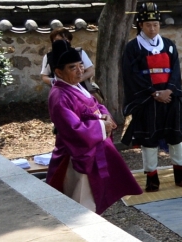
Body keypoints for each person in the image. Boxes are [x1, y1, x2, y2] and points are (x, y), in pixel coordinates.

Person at [45, 40, 141, 213]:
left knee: (92, 196)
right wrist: (101, 125)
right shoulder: (59, 95)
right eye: (73, 67)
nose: (80, 70)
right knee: (81, 202)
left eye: (81, 65)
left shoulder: (75, 87)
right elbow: (73, 130)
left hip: (93, 147)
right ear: (58, 72)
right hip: (76, 153)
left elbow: (96, 105)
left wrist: (105, 118)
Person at [121, 2, 182, 191]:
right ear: (140, 26)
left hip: (170, 98)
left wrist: (170, 90)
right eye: (148, 25)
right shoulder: (132, 48)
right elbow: (131, 75)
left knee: (175, 136)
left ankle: (181, 173)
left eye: (156, 24)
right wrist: (153, 92)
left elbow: (175, 70)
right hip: (147, 100)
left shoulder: (168, 45)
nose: (152, 28)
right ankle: (152, 177)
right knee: (149, 140)